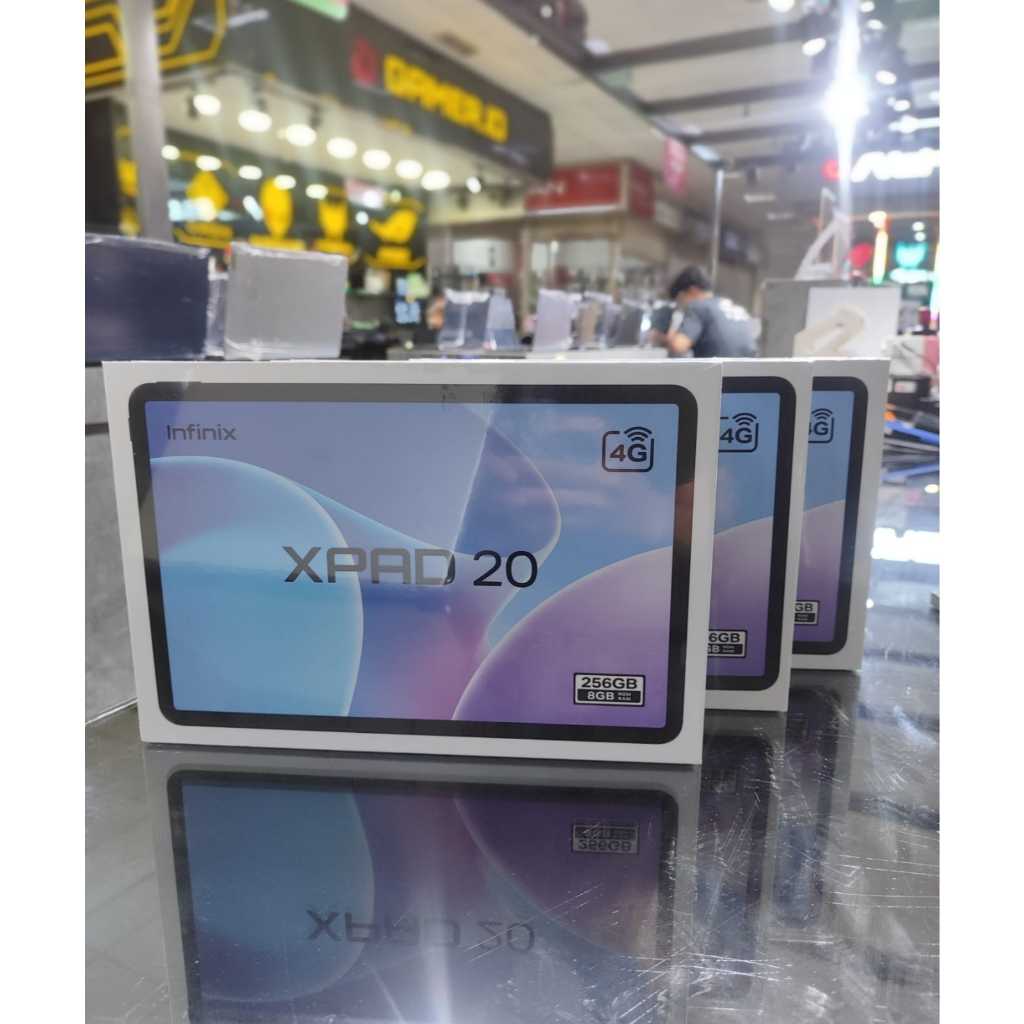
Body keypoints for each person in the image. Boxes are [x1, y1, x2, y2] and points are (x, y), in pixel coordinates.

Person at [648, 265, 757, 358]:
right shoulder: (735, 307)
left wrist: (660, 338)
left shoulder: (699, 306)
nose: (681, 307)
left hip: (719, 373)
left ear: (692, 290)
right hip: (748, 371)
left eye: (680, 299)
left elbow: (678, 346)